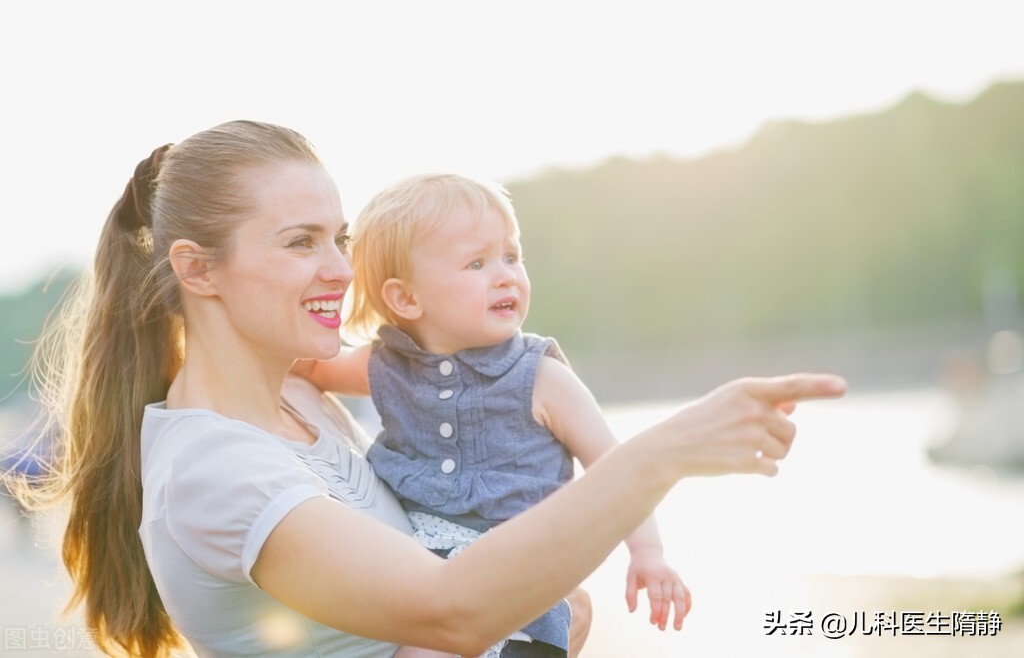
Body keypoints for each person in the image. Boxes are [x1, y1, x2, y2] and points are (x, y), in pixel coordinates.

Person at [6, 119, 847, 658]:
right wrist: (665, 453)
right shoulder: (214, 466)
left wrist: (544, 609)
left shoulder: (300, 400)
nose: (341, 269)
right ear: (196, 269)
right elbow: (451, 612)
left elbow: (468, 581)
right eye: (301, 242)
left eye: (339, 238)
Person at [293, 174, 689, 657]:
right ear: (406, 299)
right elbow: (308, 364)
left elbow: (617, 468)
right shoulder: (386, 365)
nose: (505, 275)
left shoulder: (539, 378)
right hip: (418, 575)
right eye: (476, 263)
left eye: (511, 257)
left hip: (515, 580)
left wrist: (648, 553)